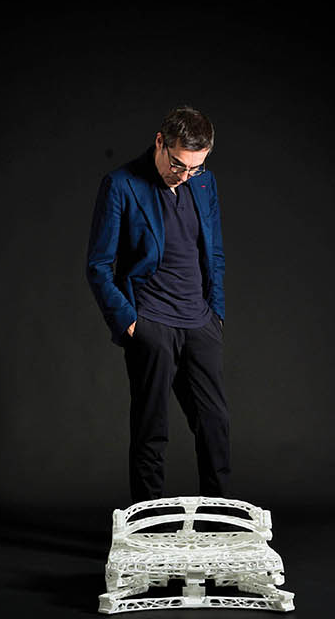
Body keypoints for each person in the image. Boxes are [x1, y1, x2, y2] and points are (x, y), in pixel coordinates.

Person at [86, 106, 230, 503]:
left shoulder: (204, 184)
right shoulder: (121, 184)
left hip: (199, 322)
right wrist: (131, 324)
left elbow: (213, 254)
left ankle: (220, 526)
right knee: (152, 431)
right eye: (179, 165)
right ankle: (148, 531)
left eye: (195, 168)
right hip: (151, 323)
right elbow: (98, 265)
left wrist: (214, 314)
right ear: (160, 142)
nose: (184, 176)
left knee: (214, 426)